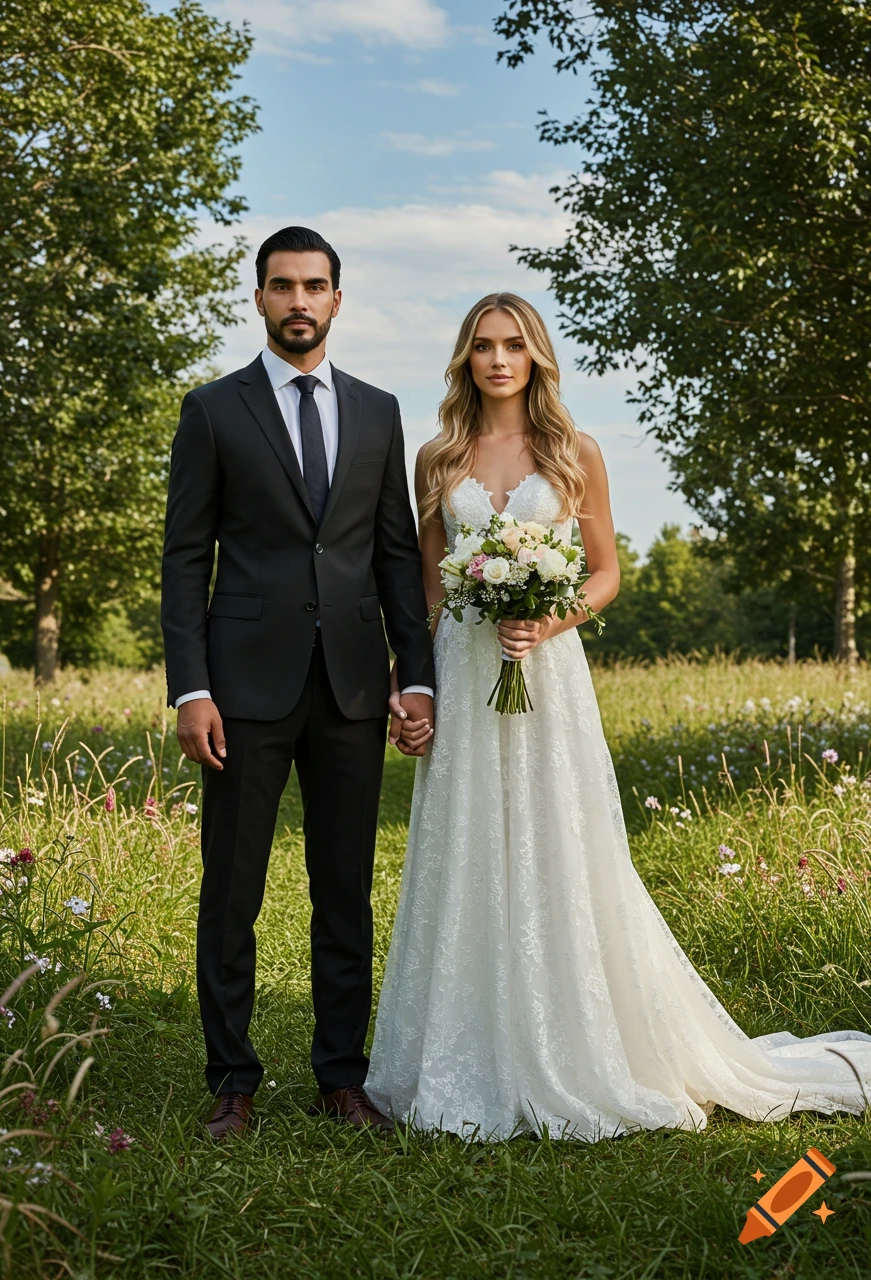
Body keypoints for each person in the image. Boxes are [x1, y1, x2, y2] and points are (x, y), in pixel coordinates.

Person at [367, 291, 871, 1141]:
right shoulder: (436, 457)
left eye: (514, 346)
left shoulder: (573, 452)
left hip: (546, 674)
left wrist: (548, 617)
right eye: (483, 346)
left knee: (561, 845)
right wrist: (407, 684)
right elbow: (426, 589)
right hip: (462, 667)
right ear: (464, 359)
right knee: (466, 846)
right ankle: (466, 1048)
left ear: (535, 359)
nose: (497, 360)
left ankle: (580, 1045)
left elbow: (604, 573)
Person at [161, 226, 434, 1140]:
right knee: (231, 886)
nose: (299, 301)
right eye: (282, 286)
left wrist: (420, 677)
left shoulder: (378, 410)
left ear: (338, 300)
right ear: (260, 299)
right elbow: (184, 557)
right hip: (240, 691)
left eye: (314, 285)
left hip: (354, 687)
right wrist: (189, 688)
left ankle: (341, 1077)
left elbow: (396, 555)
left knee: (344, 887)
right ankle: (233, 1083)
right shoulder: (213, 410)